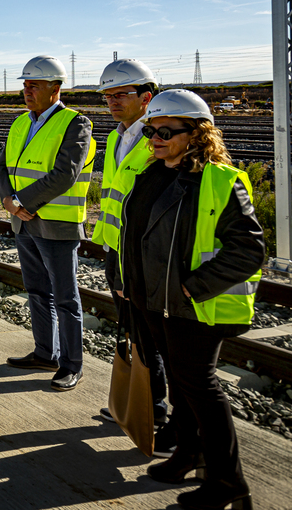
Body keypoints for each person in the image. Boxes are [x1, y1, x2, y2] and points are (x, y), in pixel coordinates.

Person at [112, 90, 264, 510]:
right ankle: (187, 454)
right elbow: (133, 233)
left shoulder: (220, 181)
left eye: (165, 131)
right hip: (151, 301)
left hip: (195, 307)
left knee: (201, 388)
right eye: (149, 130)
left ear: (196, 134)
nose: (154, 138)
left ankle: (228, 482)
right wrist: (123, 276)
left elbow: (249, 251)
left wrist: (191, 287)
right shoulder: (149, 172)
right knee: (180, 384)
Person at [0, 55, 95, 391]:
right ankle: (44, 352)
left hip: (55, 224)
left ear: (55, 87)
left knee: (66, 297)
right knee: (37, 291)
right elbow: (3, 166)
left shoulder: (75, 123)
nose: (27, 90)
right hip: (23, 221)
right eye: (24, 85)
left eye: (34, 85)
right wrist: (8, 200)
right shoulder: (21, 122)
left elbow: (65, 173)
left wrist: (22, 201)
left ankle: (71, 364)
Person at [92, 59, 173, 452]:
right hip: (116, 249)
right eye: (107, 96)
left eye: (120, 94)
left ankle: (157, 407)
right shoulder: (114, 138)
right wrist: (109, 247)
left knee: (150, 332)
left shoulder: (159, 137)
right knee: (131, 327)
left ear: (147, 97)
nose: (112, 102)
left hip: (143, 254)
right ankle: (144, 403)